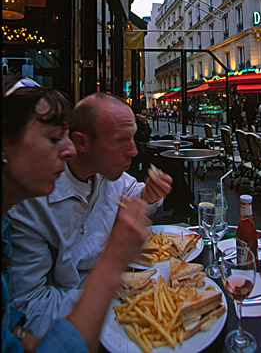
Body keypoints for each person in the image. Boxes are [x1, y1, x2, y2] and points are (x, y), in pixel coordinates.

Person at [8, 93, 172, 338]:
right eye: (54, 138)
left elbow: (131, 191)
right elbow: (28, 306)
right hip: (78, 324)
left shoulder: (106, 171)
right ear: (82, 142)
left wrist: (148, 194)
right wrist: (114, 291)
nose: (134, 151)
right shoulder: (31, 198)